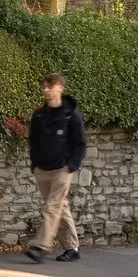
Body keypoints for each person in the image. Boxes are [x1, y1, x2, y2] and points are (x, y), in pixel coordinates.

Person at [25, 71, 88, 263]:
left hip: (62, 169)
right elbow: (33, 141)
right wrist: (35, 164)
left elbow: (80, 143)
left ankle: (41, 246)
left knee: (52, 207)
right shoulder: (39, 115)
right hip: (42, 169)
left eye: (50, 86)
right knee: (60, 207)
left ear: (60, 88)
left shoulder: (71, 115)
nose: (46, 90)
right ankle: (72, 247)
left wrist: (71, 165)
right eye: (44, 87)